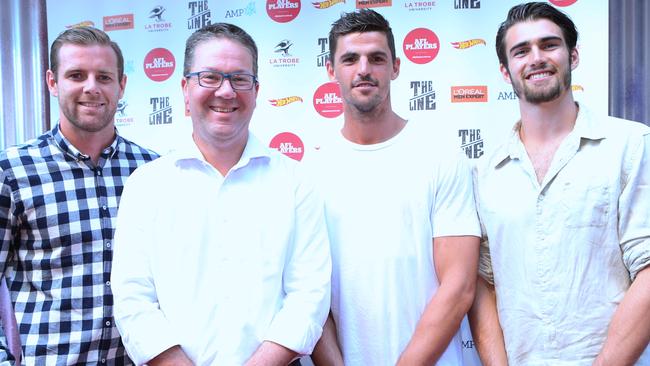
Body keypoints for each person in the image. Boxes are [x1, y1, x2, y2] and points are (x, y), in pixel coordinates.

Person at [111, 23, 331, 366]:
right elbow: (133, 300)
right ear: (185, 88)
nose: (226, 91)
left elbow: (309, 297)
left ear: (256, 91)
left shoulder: (295, 183)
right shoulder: (147, 186)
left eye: (239, 79)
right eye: (209, 77)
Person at [469, 2, 650, 365]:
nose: (536, 57)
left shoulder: (631, 144)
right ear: (506, 72)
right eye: (521, 51)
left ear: (574, 55)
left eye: (549, 45)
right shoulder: (485, 171)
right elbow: (481, 283)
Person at [308, 9, 481, 366]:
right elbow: (307, 294)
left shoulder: (440, 157)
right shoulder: (309, 172)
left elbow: (460, 286)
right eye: (350, 59)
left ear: (396, 67)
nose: (364, 69)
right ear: (331, 71)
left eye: (377, 58)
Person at [0, 26, 158, 364]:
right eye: (76, 75)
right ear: (52, 83)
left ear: (121, 85)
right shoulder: (11, 170)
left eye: (104, 76)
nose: (91, 87)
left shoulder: (154, 171)